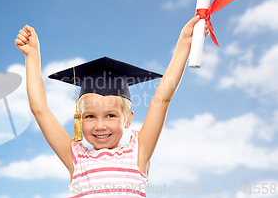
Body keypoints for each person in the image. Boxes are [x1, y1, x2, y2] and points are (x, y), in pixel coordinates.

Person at [14, 16, 209, 197]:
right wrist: (32, 56)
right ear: (79, 118)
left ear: (128, 118)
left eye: (110, 115)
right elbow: (39, 109)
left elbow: (162, 99)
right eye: (90, 116)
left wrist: (184, 46)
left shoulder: (137, 152)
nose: (100, 125)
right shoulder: (76, 158)